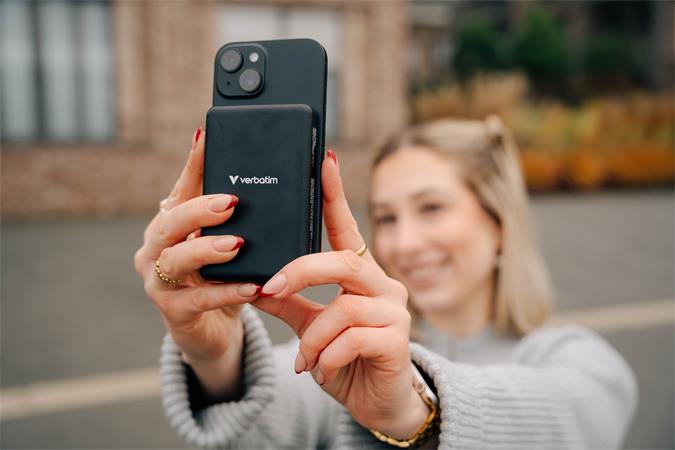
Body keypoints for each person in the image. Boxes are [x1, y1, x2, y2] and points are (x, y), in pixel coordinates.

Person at [134, 117, 637, 449]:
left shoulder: (578, 362)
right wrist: (216, 355)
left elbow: (575, 420)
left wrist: (414, 411)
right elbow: (264, 430)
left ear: (500, 222)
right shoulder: (348, 354)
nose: (405, 242)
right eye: (386, 217)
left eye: (431, 208)